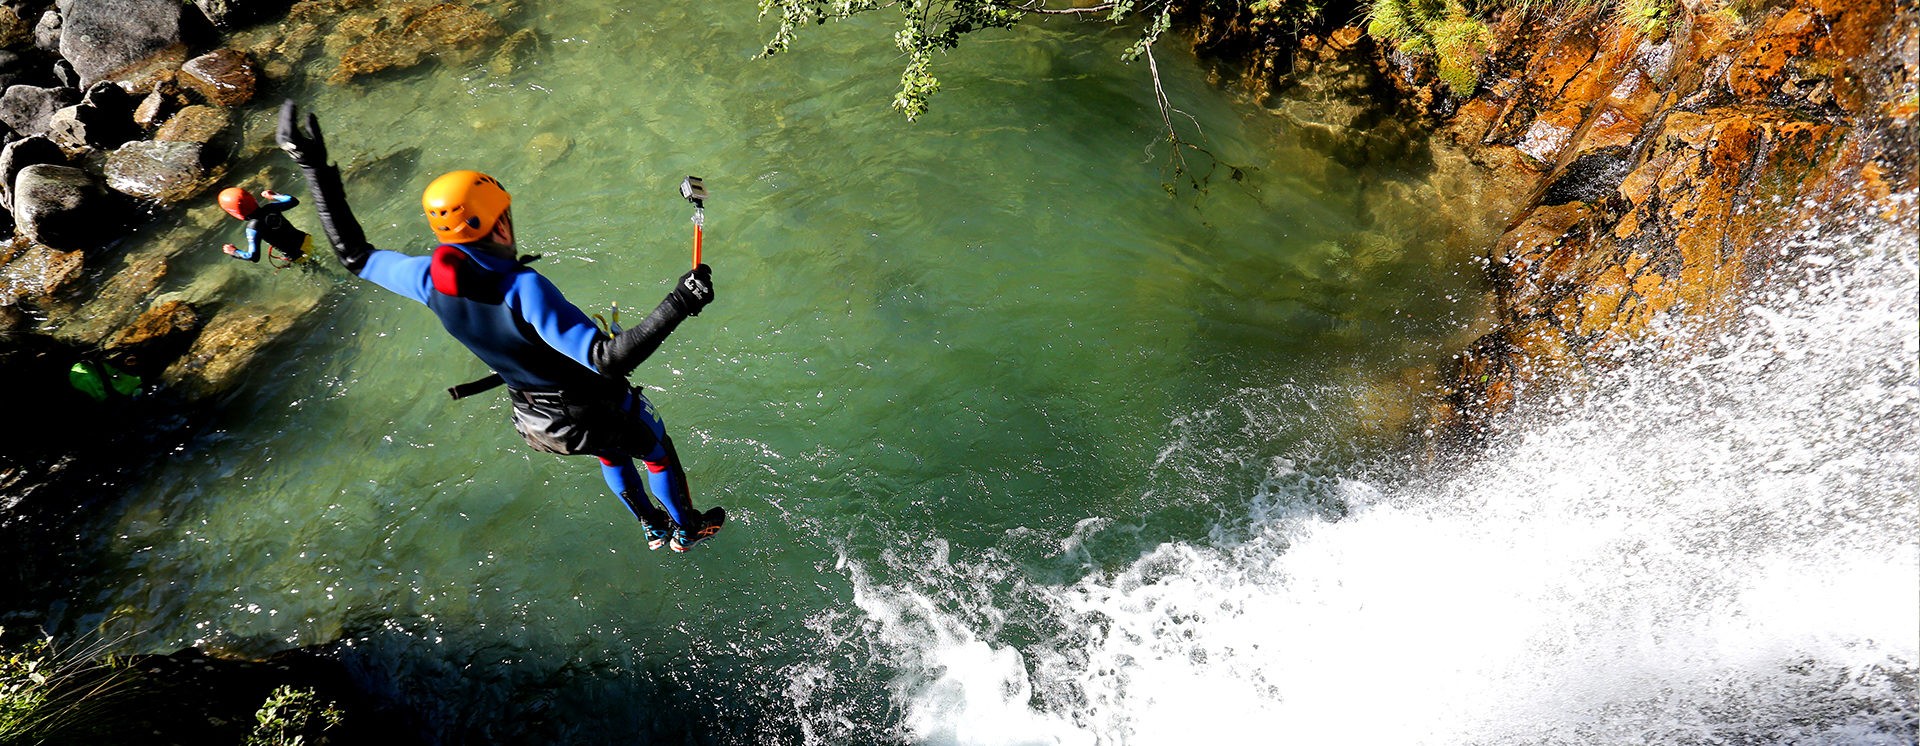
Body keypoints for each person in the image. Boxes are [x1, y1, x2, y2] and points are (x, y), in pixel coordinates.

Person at [273, 100, 725, 553]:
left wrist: (313, 166)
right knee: (658, 451)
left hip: (537, 419)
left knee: (611, 450)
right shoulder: (521, 287)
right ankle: (685, 531)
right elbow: (608, 360)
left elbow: (355, 255)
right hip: (587, 405)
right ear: (499, 222)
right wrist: (681, 301)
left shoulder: (428, 279)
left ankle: (650, 526)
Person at [218, 187, 311, 266]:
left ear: (234, 213)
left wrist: (234, 251)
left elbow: (253, 257)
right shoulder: (270, 208)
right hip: (306, 240)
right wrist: (273, 196)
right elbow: (293, 201)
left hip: (296, 254)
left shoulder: (253, 227)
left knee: (310, 265)